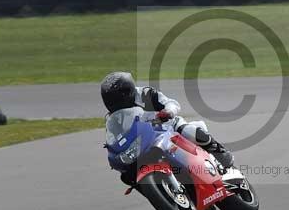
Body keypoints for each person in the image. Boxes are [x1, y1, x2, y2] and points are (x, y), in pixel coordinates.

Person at [100, 71, 235, 183]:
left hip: (168, 127)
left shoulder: (145, 94)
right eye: (109, 100)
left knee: (189, 131)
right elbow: (116, 138)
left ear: (127, 91)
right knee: (128, 176)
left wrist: (168, 112)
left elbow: (171, 103)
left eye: (116, 98)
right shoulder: (114, 118)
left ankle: (220, 153)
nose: (113, 103)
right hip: (144, 141)